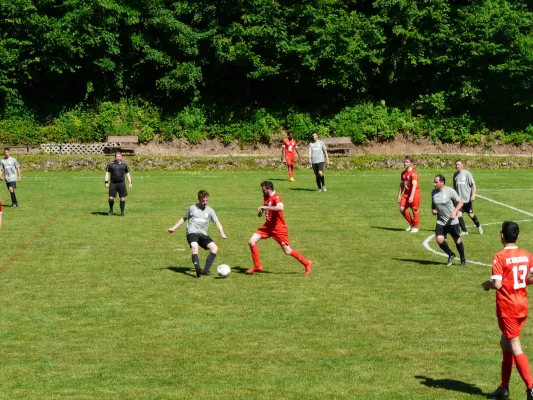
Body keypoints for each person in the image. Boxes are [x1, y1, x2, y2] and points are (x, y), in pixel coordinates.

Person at [482, 222, 533, 400]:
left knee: (514, 345)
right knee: (505, 344)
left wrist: (487, 285)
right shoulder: (527, 255)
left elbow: (497, 284)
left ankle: (531, 388)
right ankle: (503, 388)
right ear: (517, 236)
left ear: (501, 236)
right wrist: (522, 283)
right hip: (522, 306)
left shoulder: (499, 257)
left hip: (508, 307)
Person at [247, 181, 312, 275]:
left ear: (269, 189)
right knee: (251, 241)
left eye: (264, 190)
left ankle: (307, 263)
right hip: (268, 226)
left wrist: (265, 207)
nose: (262, 192)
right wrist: (261, 211)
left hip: (278, 228)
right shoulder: (266, 196)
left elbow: (280, 208)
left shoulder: (276, 197)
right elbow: (264, 211)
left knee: (288, 251)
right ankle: (257, 266)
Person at [167, 190, 227, 278]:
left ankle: (205, 271)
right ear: (199, 199)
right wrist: (173, 228)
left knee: (214, 248)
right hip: (192, 232)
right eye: (203, 201)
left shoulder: (210, 211)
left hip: (202, 234)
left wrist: (222, 233)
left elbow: (217, 222)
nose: (205, 203)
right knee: (195, 247)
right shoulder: (192, 208)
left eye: (206, 200)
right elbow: (183, 218)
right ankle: (198, 268)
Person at [431, 174, 466, 267]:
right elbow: (433, 203)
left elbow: (460, 202)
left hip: (452, 221)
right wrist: (433, 210)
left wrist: (455, 211)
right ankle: (451, 254)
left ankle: (463, 259)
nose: (434, 184)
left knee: (457, 240)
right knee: (439, 239)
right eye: (434, 182)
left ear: (442, 182)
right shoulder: (433, 192)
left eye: (436, 182)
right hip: (441, 221)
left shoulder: (450, 191)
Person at [453, 160, 483, 235]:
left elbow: (473, 184)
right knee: (458, 214)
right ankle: (464, 231)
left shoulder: (467, 174)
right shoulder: (455, 175)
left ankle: (479, 226)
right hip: (459, 200)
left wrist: (473, 194)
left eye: (458, 165)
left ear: (462, 165)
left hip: (467, 200)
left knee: (471, 214)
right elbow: (454, 187)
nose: (457, 166)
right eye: (456, 165)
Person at [397, 156, 421, 233]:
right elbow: (401, 185)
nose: (405, 163)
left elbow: (414, 185)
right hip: (406, 194)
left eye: (407, 162)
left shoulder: (414, 173)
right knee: (402, 209)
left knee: (415, 210)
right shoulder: (403, 173)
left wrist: (411, 196)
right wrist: (399, 195)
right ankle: (411, 223)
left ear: (411, 163)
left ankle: (415, 227)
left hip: (414, 194)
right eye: (404, 162)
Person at [105, 152, 132, 216]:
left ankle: (122, 212)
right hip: (113, 183)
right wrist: (106, 182)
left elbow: (127, 173)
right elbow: (107, 173)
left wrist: (130, 182)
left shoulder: (124, 164)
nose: (118, 158)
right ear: (115, 157)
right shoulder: (110, 164)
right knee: (111, 198)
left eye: (119, 156)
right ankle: (111, 210)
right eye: (117, 156)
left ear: (121, 157)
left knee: (122, 198)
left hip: (121, 183)